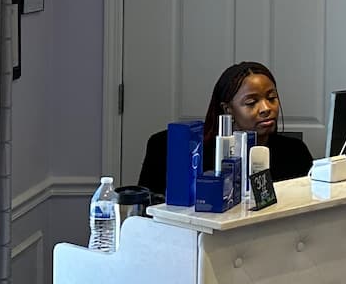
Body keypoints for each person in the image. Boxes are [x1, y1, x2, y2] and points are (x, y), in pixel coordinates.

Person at [134, 60, 314, 199]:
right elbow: (147, 210)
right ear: (228, 109)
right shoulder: (187, 152)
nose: (266, 108)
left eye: (272, 98)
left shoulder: (294, 152)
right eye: (251, 103)